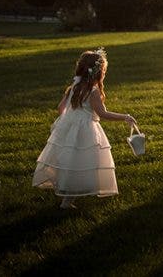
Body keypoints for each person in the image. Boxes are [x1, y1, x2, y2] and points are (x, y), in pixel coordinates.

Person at [32, 48, 136, 209]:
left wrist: (70, 118)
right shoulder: (93, 91)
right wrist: (125, 117)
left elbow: (60, 108)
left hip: (69, 126)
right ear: (99, 72)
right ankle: (67, 202)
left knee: (69, 160)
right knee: (81, 163)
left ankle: (65, 196)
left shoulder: (74, 85)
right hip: (85, 129)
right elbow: (103, 113)